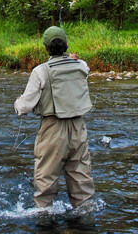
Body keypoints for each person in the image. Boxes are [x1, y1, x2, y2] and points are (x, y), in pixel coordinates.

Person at [14, 26, 96, 212]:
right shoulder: (81, 65)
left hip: (52, 130)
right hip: (78, 128)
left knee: (46, 180)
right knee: (81, 178)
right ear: (67, 46)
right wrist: (74, 59)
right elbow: (83, 66)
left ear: (46, 48)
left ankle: (44, 219)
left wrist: (17, 104)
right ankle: (85, 218)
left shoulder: (40, 72)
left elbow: (25, 107)